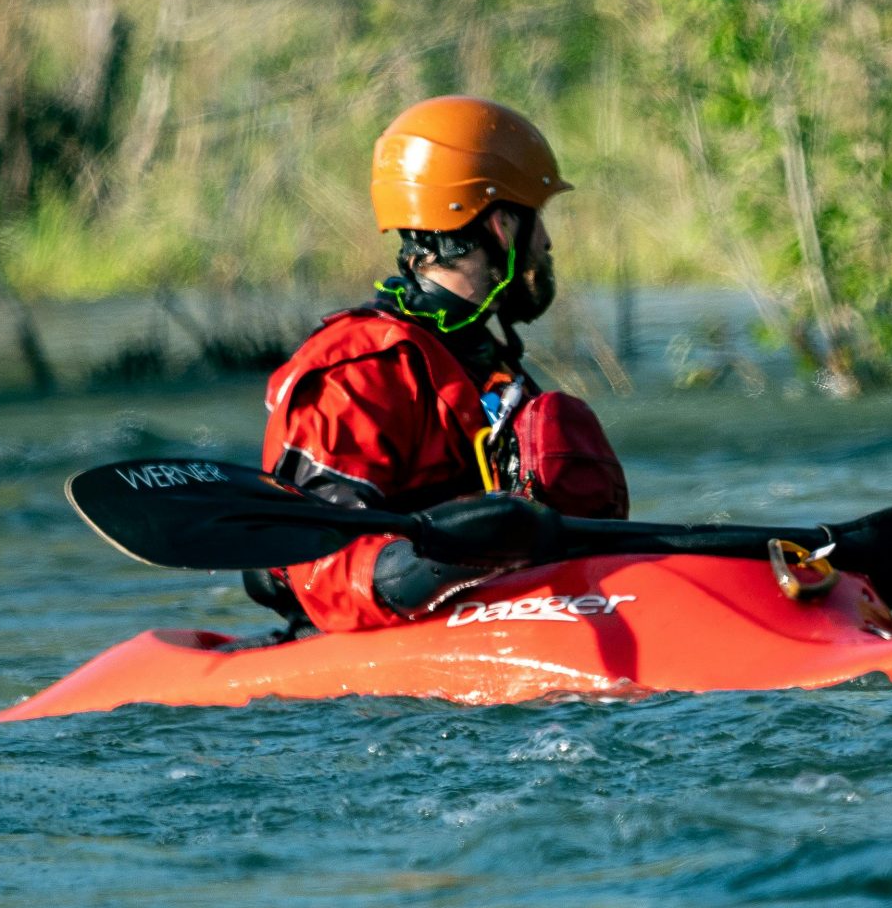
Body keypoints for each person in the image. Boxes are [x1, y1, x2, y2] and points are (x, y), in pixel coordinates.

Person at [245, 97, 630, 635]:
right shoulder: (359, 369)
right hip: (377, 687)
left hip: (503, 623)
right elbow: (320, 563)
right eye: (537, 218)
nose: (546, 240)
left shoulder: (483, 360)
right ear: (501, 226)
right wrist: (455, 555)